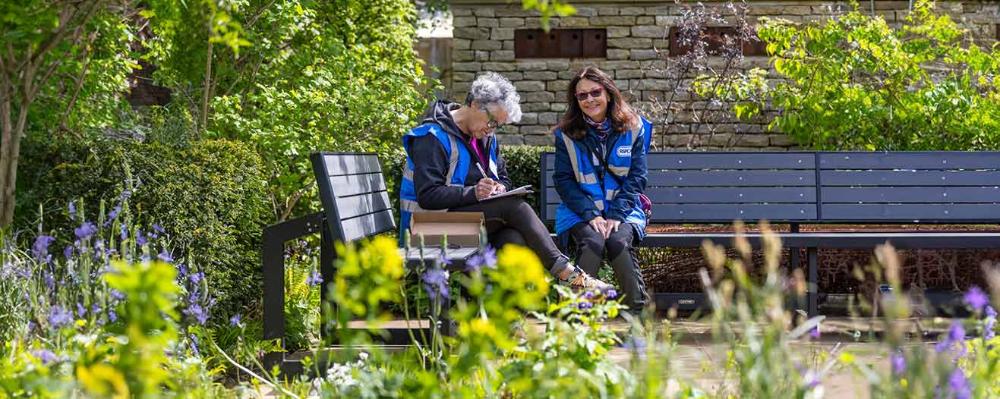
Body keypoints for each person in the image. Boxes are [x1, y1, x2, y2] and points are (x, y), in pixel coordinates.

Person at [400, 72, 611, 290]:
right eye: (491, 121)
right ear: (474, 104)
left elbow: (503, 178)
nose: (491, 129)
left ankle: (508, 318)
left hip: (461, 226)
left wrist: (501, 187)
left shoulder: (484, 137)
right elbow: (427, 195)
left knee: (514, 239)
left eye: (497, 125)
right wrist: (474, 193)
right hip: (425, 231)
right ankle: (568, 274)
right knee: (514, 207)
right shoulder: (431, 137)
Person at [552, 66, 652, 311]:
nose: (589, 99)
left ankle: (637, 317)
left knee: (618, 242)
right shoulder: (566, 134)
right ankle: (575, 317)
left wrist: (616, 215)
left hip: (624, 210)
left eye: (595, 92)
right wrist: (592, 215)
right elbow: (563, 180)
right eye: (582, 96)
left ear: (608, 93)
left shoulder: (634, 127)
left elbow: (637, 177)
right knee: (593, 243)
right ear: (576, 101)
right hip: (581, 211)